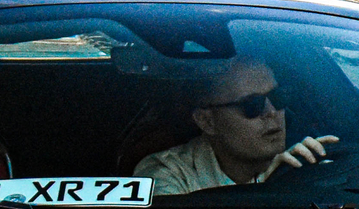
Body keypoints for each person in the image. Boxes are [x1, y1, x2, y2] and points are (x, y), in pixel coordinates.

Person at [136, 60, 337, 196]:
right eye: (252, 105)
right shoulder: (167, 174)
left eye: (278, 98)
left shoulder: (308, 156)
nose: (271, 112)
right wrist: (263, 190)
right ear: (207, 121)